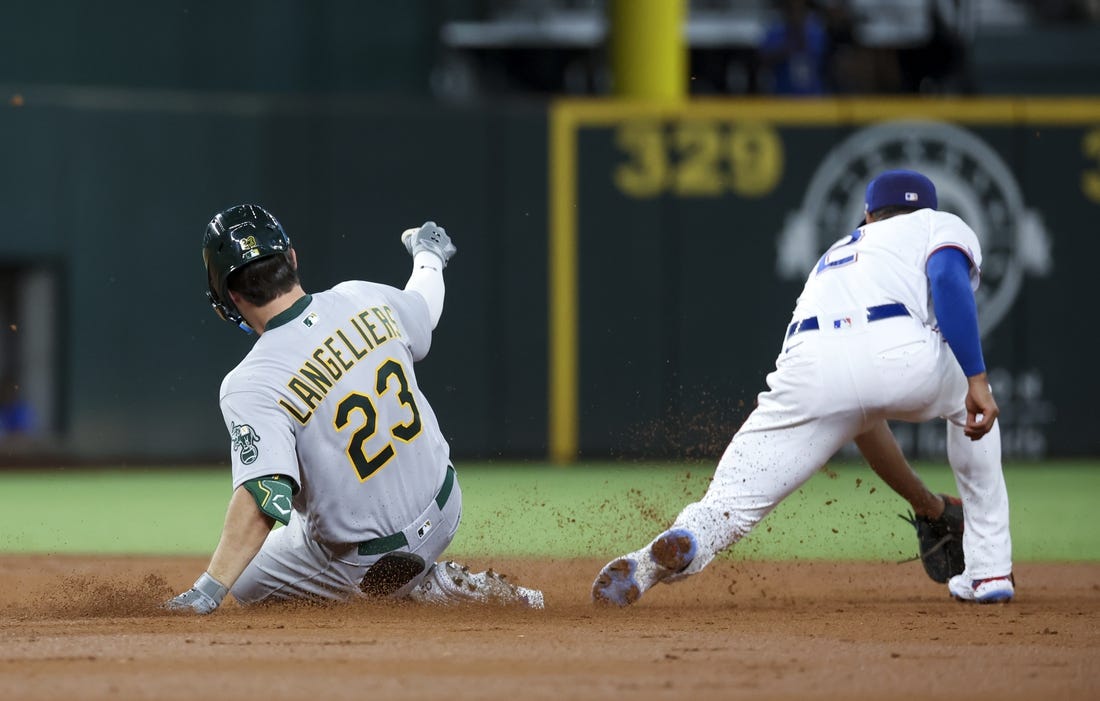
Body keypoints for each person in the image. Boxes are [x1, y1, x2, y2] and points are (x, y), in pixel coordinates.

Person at [592, 169, 1013, 606]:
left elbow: (859, 411)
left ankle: (666, 551)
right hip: (902, 349)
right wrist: (977, 380)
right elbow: (946, 279)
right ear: (927, 209)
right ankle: (989, 571)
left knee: (731, 501)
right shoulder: (937, 223)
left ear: (867, 216)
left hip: (809, 367)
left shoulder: (838, 253)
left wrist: (926, 504)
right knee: (974, 407)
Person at [166, 204, 543, 613]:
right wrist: (428, 254)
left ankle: (423, 588)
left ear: (231, 297)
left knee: (249, 579)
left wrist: (208, 589)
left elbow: (264, 496)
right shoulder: (362, 295)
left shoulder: (250, 382)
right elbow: (424, 308)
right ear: (292, 258)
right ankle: (428, 577)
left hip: (369, 562)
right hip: (446, 504)